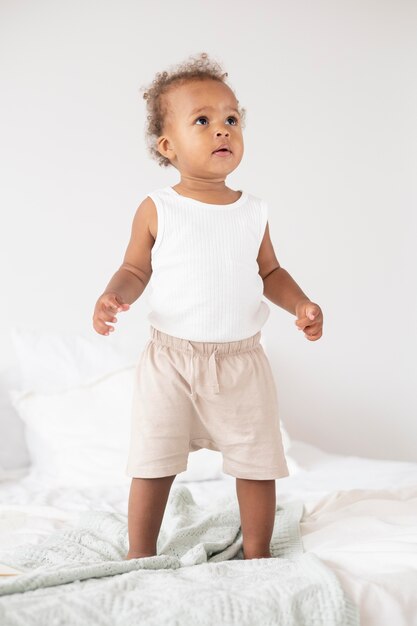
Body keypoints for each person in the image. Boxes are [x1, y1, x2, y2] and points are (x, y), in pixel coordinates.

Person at [92, 52, 323, 561]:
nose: (222, 130)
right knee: (153, 460)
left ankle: (258, 553)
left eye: (231, 120)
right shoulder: (159, 208)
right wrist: (115, 295)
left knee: (257, 461)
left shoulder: (252, 211)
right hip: (170, 362)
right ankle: (139, 552)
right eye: (203, 120)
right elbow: (135, 270)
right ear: (167, 146)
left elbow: (271, 274)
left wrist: (300, 304)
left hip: (241, 362)